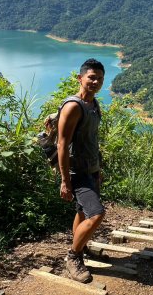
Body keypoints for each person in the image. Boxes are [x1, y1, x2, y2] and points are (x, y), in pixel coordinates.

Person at [57, 58, 106, 283]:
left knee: (82, 212)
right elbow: (62, 145)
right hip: (78, 173)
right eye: (91, 77)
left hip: (91, 169)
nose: (95, 82)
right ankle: (73, 257)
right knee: (96, 214)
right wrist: (65, 181)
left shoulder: (93, 105)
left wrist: (98, 168)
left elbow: (90, 140)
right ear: (80, 78)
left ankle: (80, 248)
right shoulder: (73, 106)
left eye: (99, 79)